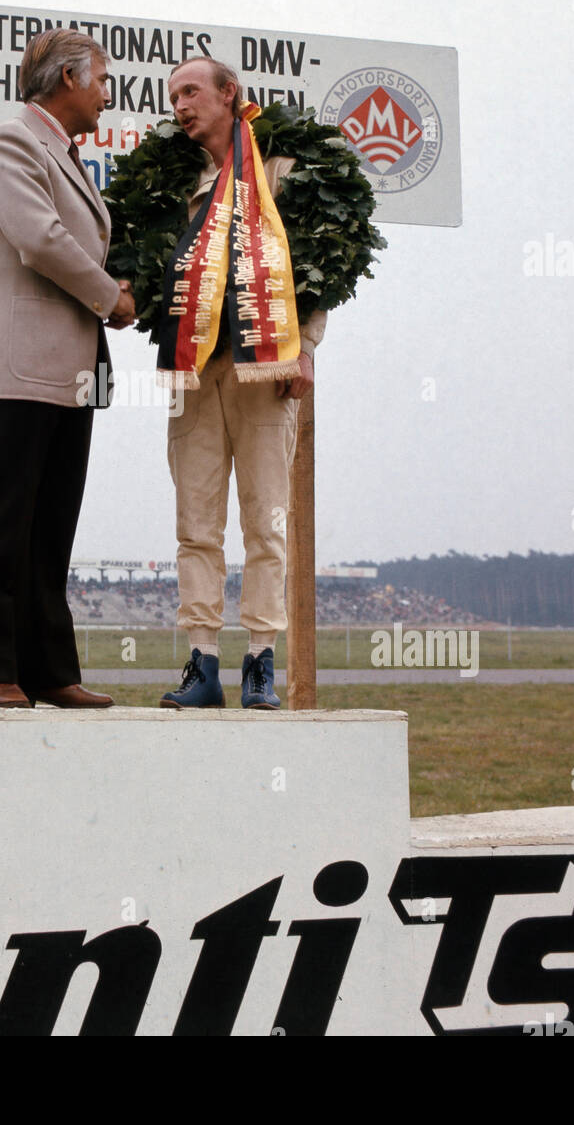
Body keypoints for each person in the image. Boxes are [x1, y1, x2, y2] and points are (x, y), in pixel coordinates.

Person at [0, 29, 135, 709]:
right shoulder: (12, 143)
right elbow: (40, 240)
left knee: (52, 525)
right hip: (19, 364)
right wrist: (109, 294)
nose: (106, 93)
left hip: (73, 368)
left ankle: (49, 670)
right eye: (100, 79)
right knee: (3, 521)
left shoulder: (63, 154)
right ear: (67, 78)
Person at [158, 57, 327, 711]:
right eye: (173, 95)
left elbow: (316, 259)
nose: (180, 104)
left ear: (231, 94)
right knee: (195, 523)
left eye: (191, 91)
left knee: (267, 521)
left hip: (266, 368)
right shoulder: (173, 184)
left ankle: (261, 661)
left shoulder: (280, 168)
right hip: (195, 374)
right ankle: (202, 663)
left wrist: (305, 345)